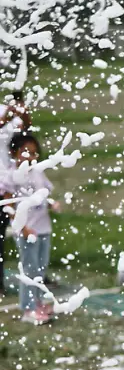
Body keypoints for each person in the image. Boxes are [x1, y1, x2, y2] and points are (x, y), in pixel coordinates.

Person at [4, 132, 57, 324]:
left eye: (34, 153)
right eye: (26, 152)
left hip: (43, 227)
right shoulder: (12, 176)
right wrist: (23, 227)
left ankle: (38, 302)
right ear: (14, 153)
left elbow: (44, 193)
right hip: (27, 230)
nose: (31, 157)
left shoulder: (37, 172)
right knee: (30, 270)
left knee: (40, 269)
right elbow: (9, 205)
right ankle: (28, 309)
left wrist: (51, 203)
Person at [0, 90, 31, 171]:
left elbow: (24, 131)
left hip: (7, 164)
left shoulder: (3, 109)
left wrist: (25, 116)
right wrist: (5, 120)